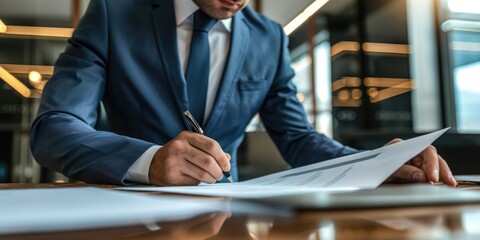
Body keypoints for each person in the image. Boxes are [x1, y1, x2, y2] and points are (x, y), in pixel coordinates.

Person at [30, 0, 457, 187]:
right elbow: (54, 130)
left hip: (227, 218)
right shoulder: (113, 13)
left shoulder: (269, 38)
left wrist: (377, 163)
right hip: (124, 216)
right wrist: (149, 161)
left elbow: (297, 138)